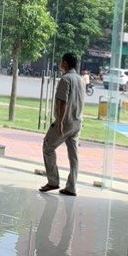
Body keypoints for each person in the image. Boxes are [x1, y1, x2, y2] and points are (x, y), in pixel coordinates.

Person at [39, 52, 84, 196]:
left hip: (65, 122)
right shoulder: (81, 80)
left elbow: (62, 102)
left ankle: (53, 181)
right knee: (73, 156)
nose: (60, 63)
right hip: (77, 122)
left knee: (48, 147)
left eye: (61, 61)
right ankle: (72, 186)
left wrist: (60, 123)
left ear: (65, 63)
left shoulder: (65, 79)